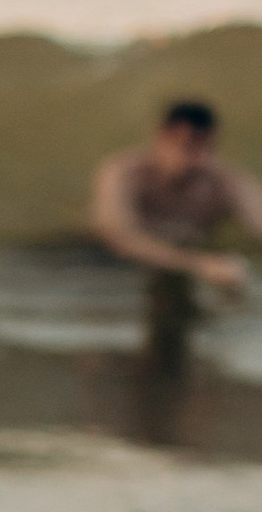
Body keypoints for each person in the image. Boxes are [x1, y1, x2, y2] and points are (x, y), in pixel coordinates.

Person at [90, 99, 262, 377]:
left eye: (208, 148)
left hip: (176, 268)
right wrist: (199, 265)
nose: (199, 159)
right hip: (106, 264)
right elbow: (118, 237)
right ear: (160, 138)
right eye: (188, 147)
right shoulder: (125, 172)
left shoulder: (224, 181)